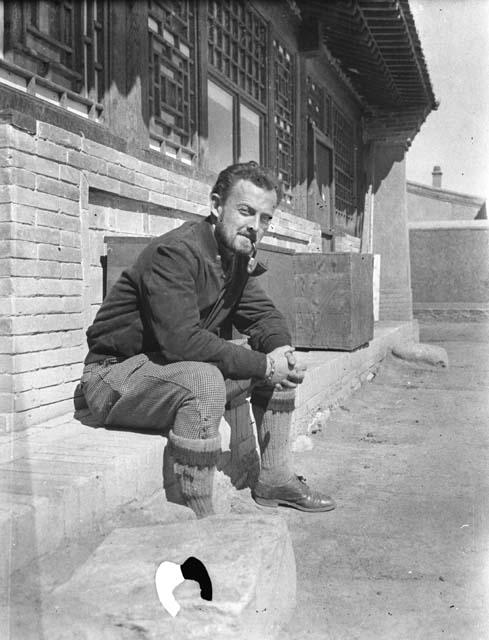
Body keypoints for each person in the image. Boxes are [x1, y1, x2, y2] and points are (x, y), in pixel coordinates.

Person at [80, 161, 335, 518]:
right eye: (246, 212)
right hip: (114, 377)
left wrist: (279, 352)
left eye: (265, 219)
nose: (255, 226)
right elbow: (182, 343)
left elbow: (264, 316)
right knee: (206, 379)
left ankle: (275, 478)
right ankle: (199, 517)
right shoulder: (176, 253)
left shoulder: (233, 256)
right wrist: (263, 365)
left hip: (167, 371)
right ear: (217, 206)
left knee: (281, 361)